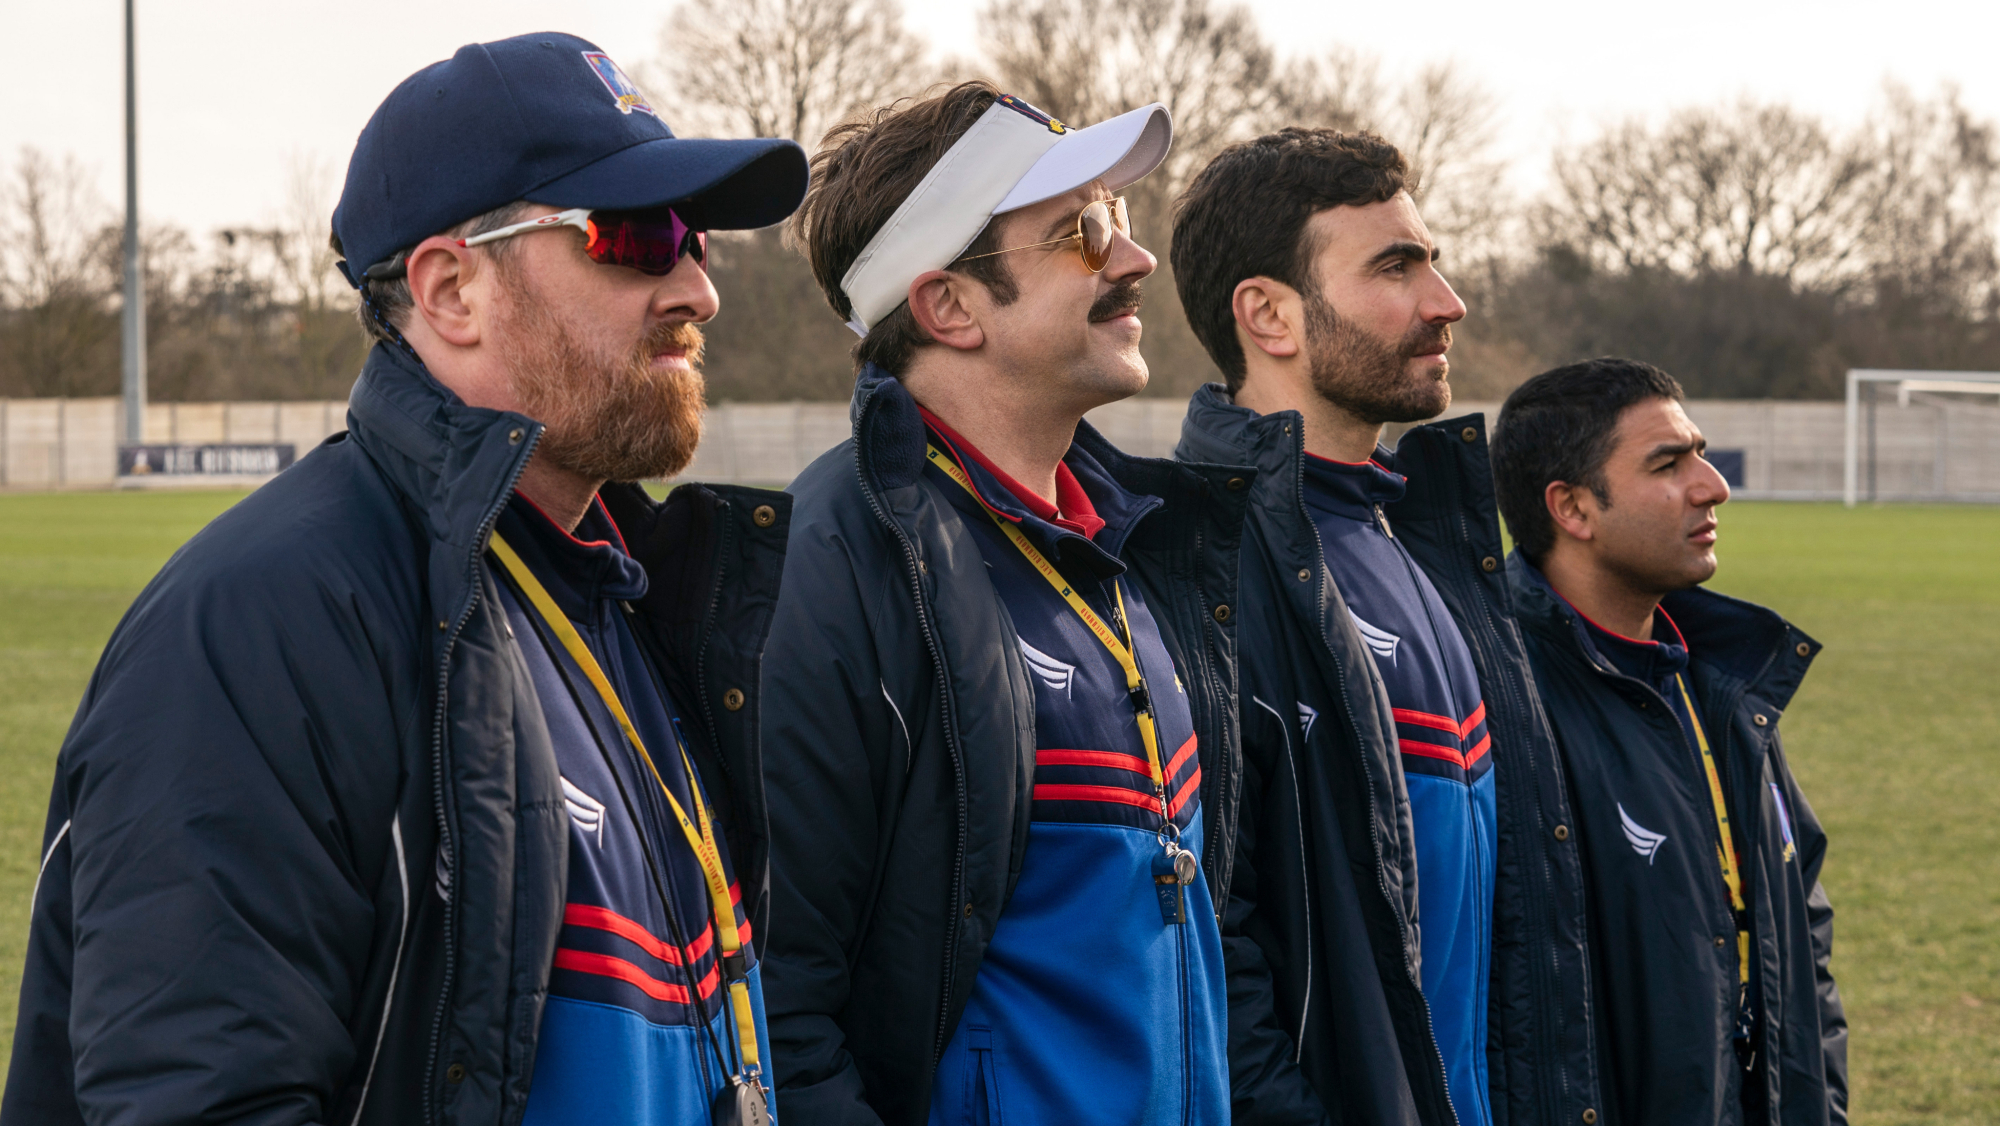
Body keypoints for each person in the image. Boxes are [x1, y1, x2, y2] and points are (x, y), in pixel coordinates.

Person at [2, 34, 808, 1126]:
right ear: (449, 290)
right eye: (635, 234)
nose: (698, 287)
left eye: (696, 238)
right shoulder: (262, 620)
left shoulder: (622, 594)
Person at [757, 81, 1248, 1126]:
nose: (1132, 259)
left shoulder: (1130, 545)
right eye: (1078, 231)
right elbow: (787, 1009)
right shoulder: (839, 553)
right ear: (947, 306)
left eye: (1116, 219)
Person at [1169, 128, 1598, 1126]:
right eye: (1394, 268)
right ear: (1268, 313)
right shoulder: (1203, 565)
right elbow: (1207, 947)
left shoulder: (1423, 540)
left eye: (1431, 262)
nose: (1444, 302)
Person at [1489, 358, 1847, 1126]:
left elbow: (1799, 924)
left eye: (1701, 453)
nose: (1712, 485)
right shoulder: (1500, 698)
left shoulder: (1722, 678)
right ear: (1573, 508)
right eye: (1668, 464)